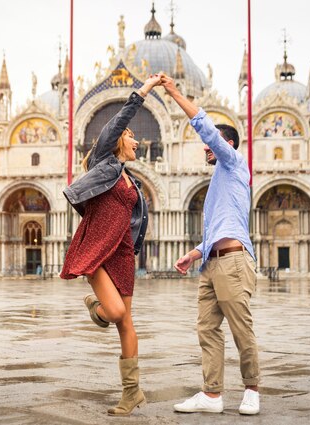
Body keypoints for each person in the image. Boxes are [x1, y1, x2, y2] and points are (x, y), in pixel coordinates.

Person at [60, 74, 162, 416]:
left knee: (126, 323)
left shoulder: (131, 178)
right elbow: (122, 117)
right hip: (97, 248)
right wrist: (144, 90)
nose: (138, 142)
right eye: (133, 137)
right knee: (115, 312)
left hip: (121, 253)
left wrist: (132, 247)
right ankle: (97, 305)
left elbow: (134, 218)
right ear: (118, 141)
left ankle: (132, 393)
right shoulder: (105, 161)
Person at [160, 74, 261, 415]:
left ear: (226, 145)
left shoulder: (233, 164)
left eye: (213, 144)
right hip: (212, 261)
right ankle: (212, 395)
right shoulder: (220, 180)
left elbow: (205, 129)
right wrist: (196, 252)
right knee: (206, 328)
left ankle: (251, 389)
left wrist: (174, 91)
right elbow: (219, 226)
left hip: (233, 261)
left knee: (240, 327)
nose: (206, 148)